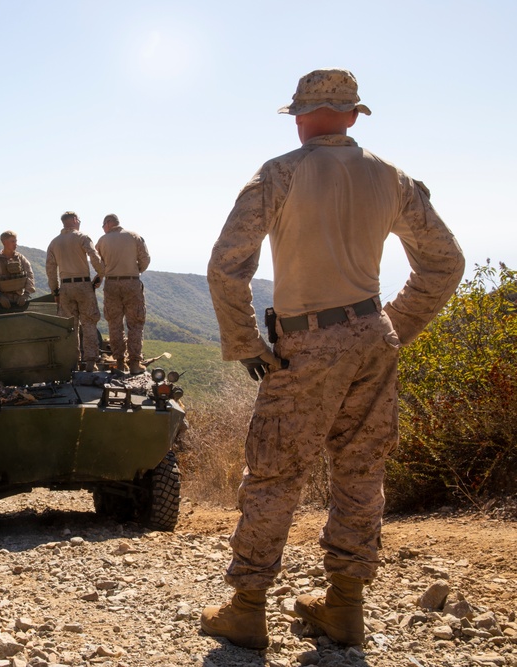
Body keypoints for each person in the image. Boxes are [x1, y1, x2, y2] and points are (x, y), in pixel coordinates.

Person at [201, 69, 464, 649]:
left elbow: (227, 266)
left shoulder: (280, 174)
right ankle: (344, 606)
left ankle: (247, 608)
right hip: (374, 338)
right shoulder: (392, 178)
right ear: (352, 115)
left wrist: (247, 342)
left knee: (274, 473)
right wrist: (395, 325)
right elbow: (446, 263)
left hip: (306, 344)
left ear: (299, 116)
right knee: (361, 472)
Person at [45, 211, 106, 371]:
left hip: (65, 287)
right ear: (73, 220)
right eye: (78, 219)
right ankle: (91, 362)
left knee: (69, 326)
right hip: (84, 285)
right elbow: (94, 257)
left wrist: (55, 291)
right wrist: (101, 273)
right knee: (89, 323)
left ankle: (73, 363)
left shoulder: (54, 243)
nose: (79, 222)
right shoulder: (82, 237)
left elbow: (50, 270)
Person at [95, 214, 151, 374]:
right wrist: (135, 271)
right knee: (135, 323)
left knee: (114, 323)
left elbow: (99, 263)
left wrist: (103, 275)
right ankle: (134, 363)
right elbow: (145, 259)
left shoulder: (102, 241)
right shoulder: (134, 236)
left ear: (108, 224)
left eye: (103, 225)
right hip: (132, 283)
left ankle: (119, 362)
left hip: (111, 284)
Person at [0, 230, 35, 308]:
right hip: (3, 303)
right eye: (12, 241)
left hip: (20, 301)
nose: (15, 244)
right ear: (4, 242)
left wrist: (25, 295)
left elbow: (30, 276)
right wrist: (0, 297)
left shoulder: (21, 259)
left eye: (15, 241)